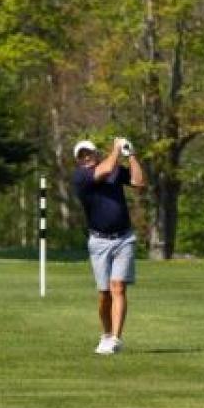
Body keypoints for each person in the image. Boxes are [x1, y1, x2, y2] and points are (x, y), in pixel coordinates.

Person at [72, 137, 145, 355]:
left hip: (124, 238)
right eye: (81, 155)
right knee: (104, 293)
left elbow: (139, 183)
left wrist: (131, 155)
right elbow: (103, 171)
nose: (86, 157)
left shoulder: (114, 169)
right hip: (99, 241)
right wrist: (116, 150)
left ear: (96, 153)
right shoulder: (81, 177)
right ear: (78, 161)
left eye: (89, 153)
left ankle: (115, 338)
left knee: (118, 287)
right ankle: (105, 333)